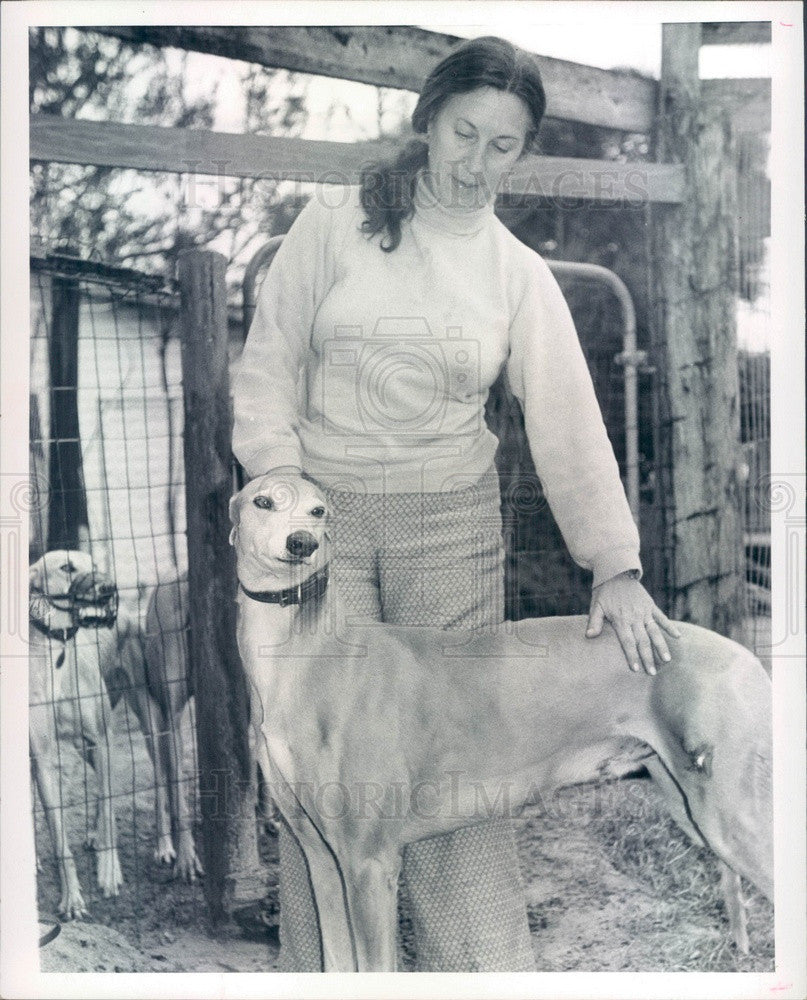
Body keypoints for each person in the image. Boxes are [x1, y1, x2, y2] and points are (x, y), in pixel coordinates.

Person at [232, 34, 679, 973]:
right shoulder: (331, 223)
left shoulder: (514, 271)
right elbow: (268, 362)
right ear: (428, 120)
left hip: (449, 532)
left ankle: (479, 976)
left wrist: (616, 564)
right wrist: (283, 488)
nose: (476, 163)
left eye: (503, 145)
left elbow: (567, 422)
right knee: (332, 788)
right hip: (326, 531)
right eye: (464, 132)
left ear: (524, 153)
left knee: (456, 782)